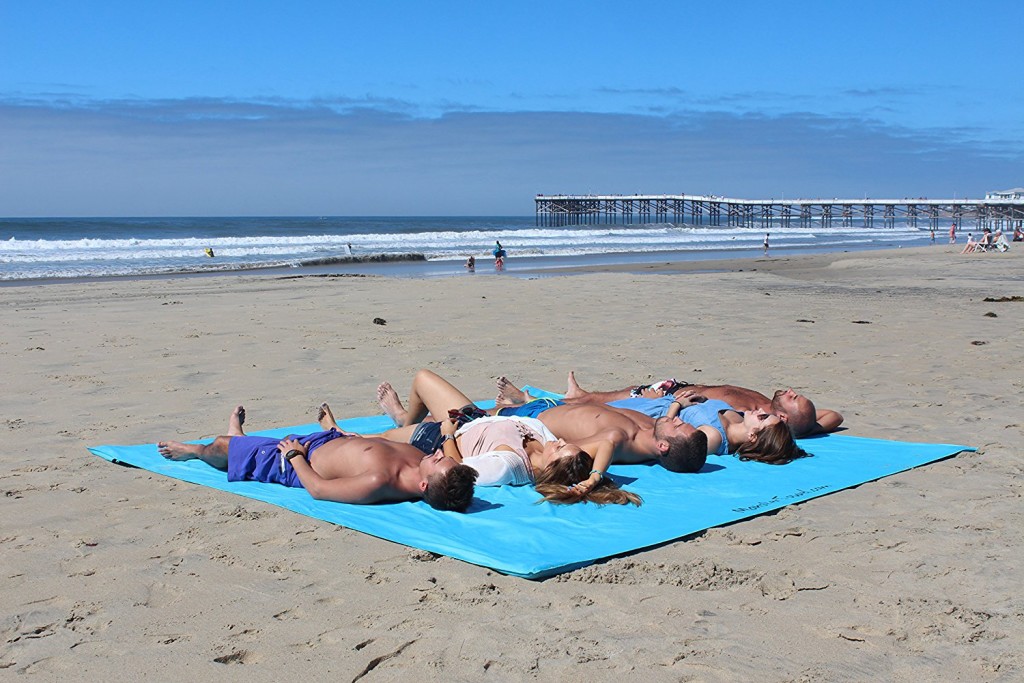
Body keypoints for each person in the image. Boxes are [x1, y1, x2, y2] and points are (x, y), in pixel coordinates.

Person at [370, 370, 640, 505]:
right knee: (422, 378)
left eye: (559, 449)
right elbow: (606, 442)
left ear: (550, 468)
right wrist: (593, 478)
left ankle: (402, 424)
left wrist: (448, 435)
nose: (559, 440)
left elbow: (460, 469)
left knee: (372, 440)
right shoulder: (550, 448)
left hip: (441, 437)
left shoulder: (508, 466)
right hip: (475, 417)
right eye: (563, 443)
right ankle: (403, 418)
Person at [157, 405, 477, 511]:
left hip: (298, 461)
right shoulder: (420, 462)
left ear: (423, 484)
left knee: (222, 446)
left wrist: (295, 456)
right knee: (249, 444)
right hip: (327, 441)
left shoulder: (379, 483)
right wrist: (339, 432)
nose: (437, 453)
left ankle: (194, 452)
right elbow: (376, 446)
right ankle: (241, 436)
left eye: (439, 460)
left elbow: (320, 490)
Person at [498, 372, 842, 439]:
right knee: (620, 396)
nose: (792, 390)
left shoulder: (762, 418)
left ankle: (535, 401)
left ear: (782, 416)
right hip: (678, 390)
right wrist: (808, 423)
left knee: (616, 401)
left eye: (795, 398)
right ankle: (563, 398)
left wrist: (676, 406)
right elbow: (833, 416)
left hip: (670, 401)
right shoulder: (765, 409)